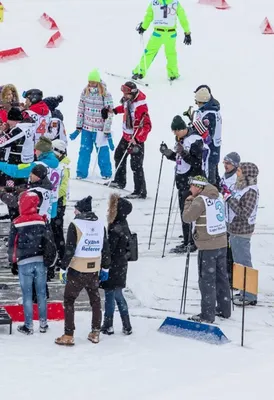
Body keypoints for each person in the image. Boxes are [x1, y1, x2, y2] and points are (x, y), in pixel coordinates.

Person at [55, 196, 110, 346]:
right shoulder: (100, 225)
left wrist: (63, 267)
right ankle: (95, 332)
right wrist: (105, 267)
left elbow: (70, 249)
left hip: (77, 269)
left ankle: (68, 334)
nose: (74, 211)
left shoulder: (75, 224)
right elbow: (105, 248)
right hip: (94, 269)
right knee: (95, 300)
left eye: (76, 208)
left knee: (69, 300)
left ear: (80, 210)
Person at [183, 175, 231, 323]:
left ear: (198, 187)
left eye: (191, 185)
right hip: (221, 243)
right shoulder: (217, 196)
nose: (190, 188)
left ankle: (207, 314)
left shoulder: (199, 200)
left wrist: (187, 202)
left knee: (207, 281)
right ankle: (224, 308)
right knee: (222, 277)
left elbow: (187, 218)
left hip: (207, 245)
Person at [8, 191, 56, 335]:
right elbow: (49, 241)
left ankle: (28, 326)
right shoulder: (42, 220)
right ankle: (43, 323)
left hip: (24, 262)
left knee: (27, 294)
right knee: (41, 293)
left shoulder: (17, 222)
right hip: (40, 261)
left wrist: (13, 262)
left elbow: (12, 245)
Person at [160, 115, 208, 253]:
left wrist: (183, 153)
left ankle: (191, 241)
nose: (174, 134)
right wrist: (169, 153)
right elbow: (180, 158)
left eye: (176, 131)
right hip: (182, 181)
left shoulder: (194, 140)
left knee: (189, 212)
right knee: (184, 211)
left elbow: (196, 162)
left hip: (192, 182)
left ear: (182, 129)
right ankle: (187, 237)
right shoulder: (182, 139)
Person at [105, 81, 152, 199]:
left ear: (133, 93)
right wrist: (114, 110)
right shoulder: (128, 101)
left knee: (136, 165)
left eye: (126, 94)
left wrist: (137, 138)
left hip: (136, 138)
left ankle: (140, 191)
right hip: (126, 135)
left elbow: (147, 126)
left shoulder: (140, 105)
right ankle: (120, 181)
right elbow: (125, 109)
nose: (124, 96)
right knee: (119, 155)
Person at [223, 162, 259, 306]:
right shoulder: (241, 187)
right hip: (234, 229)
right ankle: (244, 290)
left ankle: (250, 295)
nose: (237, 173)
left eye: (239, 171)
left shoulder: (251, 191)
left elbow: (244, 212)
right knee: (238, 262)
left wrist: (229, 199)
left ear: (246, 174)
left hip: (242, 231)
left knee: (244, 262)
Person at [0, 136, 61, 220]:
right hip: (52, 203)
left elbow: (16, 170)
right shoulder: (58, 165)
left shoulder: (38, 166)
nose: (35, 153)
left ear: (40, 151)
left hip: (37, 205)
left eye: (36, 150)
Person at [70, 69, 114, 180]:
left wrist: (107, 129)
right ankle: (81, 172)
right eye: (89, 82)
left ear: (98, 82)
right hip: (86, 128)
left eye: (93, 82)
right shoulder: (85, 92)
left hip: (100, 129)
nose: (91, 84)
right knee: (84, 151)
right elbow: (81, 110)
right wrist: (78, 127)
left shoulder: (105, 94)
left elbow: (110, 114)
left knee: (102, 152)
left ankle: (106, 173)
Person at [132, 0, 191, 81]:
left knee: (149, 53)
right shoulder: (175, 3)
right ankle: (173, 73)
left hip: (157, 33)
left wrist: (143, 27)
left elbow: (149, 16)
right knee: (171, 54)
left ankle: (140, 71)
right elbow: (182, 18)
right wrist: (187, 32)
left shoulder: (154, 2)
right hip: (171, 34)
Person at [101, 194, 133, 336]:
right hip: (122, 265)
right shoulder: (124, 225)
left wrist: (104, 263)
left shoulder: (115, 227)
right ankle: (127, 324)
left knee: (109, 295)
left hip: (113, 265)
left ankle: (108, 324)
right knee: (118, 295)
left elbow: (110, 250)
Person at [185, 86, 222, 186]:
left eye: (197, 102)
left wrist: (194, 129)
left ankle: (213, 196)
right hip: (212, 149)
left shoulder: (210, 114)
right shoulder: (209, 109)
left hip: (211, 150)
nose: (196, 104)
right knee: (213, 175)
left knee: (210, 179)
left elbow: (207, 136)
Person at [220, 151, 241, 284]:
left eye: (228, 163)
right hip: (225, 217)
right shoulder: (225, 175)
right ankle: (227, 274)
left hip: (234, 218)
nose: (225, 165)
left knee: (233, 249)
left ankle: (234, 277)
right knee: (226, 248)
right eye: (224, 163)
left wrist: (228, 194)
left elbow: (237, 197)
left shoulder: (237, 179)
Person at [0, 107, 35, 188]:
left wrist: (1, 132)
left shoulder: (19, 130)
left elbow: (3, 142)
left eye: (8, 120)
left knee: (10, 189)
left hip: (16, 165)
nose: (7, 122)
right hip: (26, 163)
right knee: (22, 187)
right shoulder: (29, 127)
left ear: (13, 120)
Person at [51, 139, 71, 267]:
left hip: (58, 202)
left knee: (57, 230)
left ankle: (62, 256)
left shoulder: (63, 166)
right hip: (54, 200)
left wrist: (52, 197)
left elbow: (63, 188)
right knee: (54, 230)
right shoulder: (57, 163)